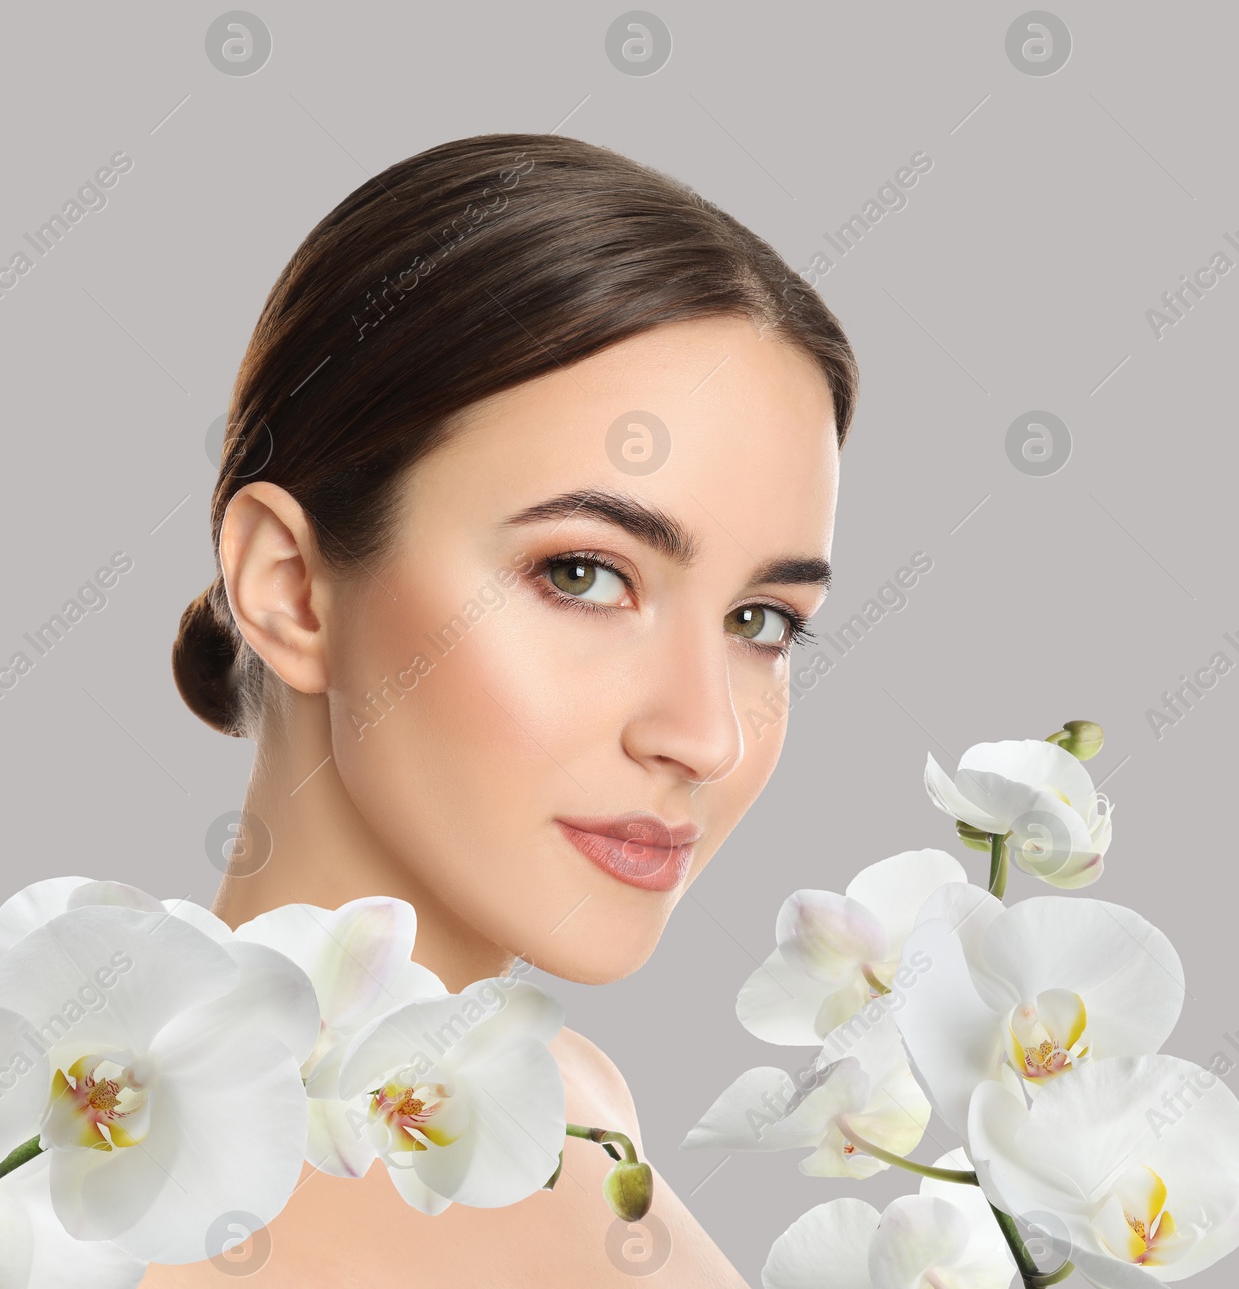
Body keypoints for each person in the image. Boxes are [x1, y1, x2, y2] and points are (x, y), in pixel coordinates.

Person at [147, 131, 856, 1286]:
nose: (705, 733)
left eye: (760, 620)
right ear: (289, 588)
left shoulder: (569, 1099)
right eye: (582, 572)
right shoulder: (162, 1220)